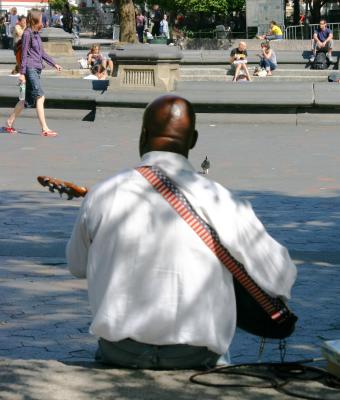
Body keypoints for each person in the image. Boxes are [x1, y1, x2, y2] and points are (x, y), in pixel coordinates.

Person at [67, 94, 297, 369]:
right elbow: (279, 275)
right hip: (195, 354)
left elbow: (77, 265)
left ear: (143, 134)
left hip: (120, 351)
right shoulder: (220, 200)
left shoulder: (104, 193)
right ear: (194, 140)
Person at [2, 8, 62, 137]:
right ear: (36, 20)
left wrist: (54, 63)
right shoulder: (27, 34)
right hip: (30, 69)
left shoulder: (36, 33)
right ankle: (45, 129)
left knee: (27, 101)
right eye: (41, 19)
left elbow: (41, 53)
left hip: (37, 68)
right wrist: (22, 73)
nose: (43, 21)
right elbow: (23, 55)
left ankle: (9, 123)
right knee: (40, 96)